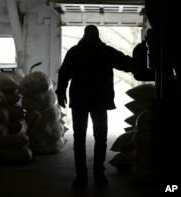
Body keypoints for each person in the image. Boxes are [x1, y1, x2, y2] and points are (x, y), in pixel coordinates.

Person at [55, 25, 134, 188]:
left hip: (81, 101)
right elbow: (126, 63)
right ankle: (98, 174)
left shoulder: (76, 52)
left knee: (81, 139)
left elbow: (64, 74)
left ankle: (82, 176)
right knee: (99, 139)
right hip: (98, 102)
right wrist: (142, 63)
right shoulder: (104, 51)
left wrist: (61, 92)